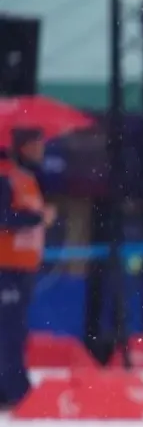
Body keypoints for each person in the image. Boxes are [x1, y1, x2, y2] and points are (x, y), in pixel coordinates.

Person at [0, 128, 55, 409]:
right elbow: (5, 216)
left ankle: (10, 388)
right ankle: (15, 389)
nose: (42, 150)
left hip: (21, 265)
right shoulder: (6, 176)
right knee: (9, 329)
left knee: (15, 329)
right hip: (5, 265)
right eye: (37, 144)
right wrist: (37, 218)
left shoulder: (25, 178)